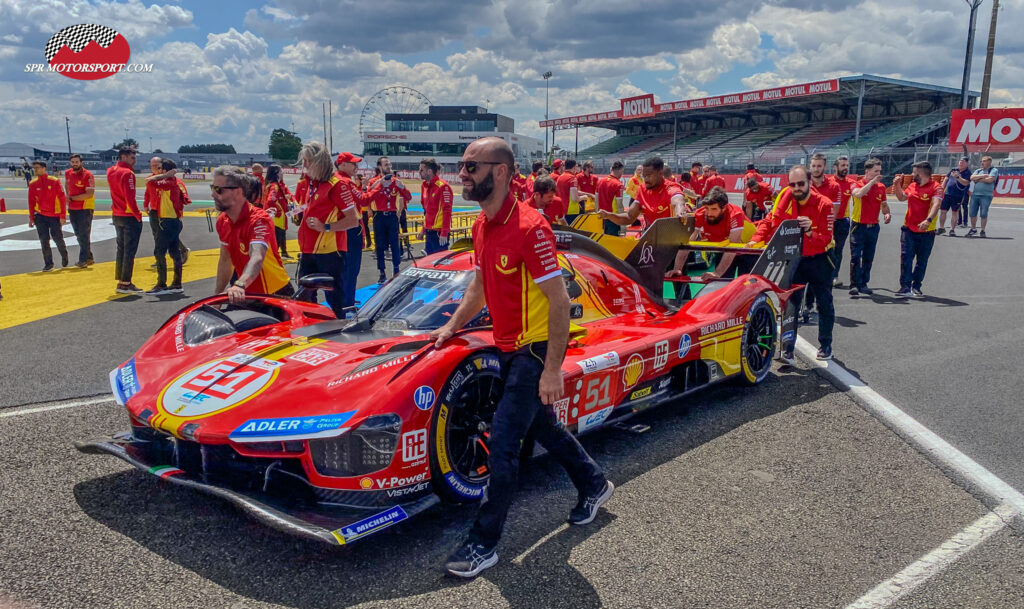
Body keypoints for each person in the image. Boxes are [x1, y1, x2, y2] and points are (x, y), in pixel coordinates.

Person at [431, 136, 612, 579]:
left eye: (472, 166)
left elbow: (558, 303)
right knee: (545, 429)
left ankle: (483, 543)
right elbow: (477, 288)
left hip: (533, 350)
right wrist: (452, 326)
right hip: (507, 346)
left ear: (502, 172)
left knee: (504, 446)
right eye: (462, 165)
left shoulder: (532, 228)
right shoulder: (480, 225)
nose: (463, 174)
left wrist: (551, 370)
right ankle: (594, 484)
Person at [748, 165, 835, 361]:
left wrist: (810, 231)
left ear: (810, 183)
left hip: (820, 259)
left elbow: (826, 238)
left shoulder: (825, 204)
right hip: (795, 258)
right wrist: (755, 240)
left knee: (824, 303)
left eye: (801, 184)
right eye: (792, 184)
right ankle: (787, 348)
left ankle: (826, 345)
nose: (796, 188)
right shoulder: (786, 196)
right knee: (790, 303)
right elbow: (771, 221)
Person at [293, 144, 361, 316]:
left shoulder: (337, 185)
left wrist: (326, 227)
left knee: (334, 298)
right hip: (308, 250)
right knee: (305, 297)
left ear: (319, 162)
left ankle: (339, 330)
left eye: (308, 161)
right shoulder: (313, 183)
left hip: (330, 252)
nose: (305, 165)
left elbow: (353, 220)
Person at [213, 166, 293, 303]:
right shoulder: (222, 220)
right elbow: (226, 260)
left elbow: (257, 256)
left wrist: (240, 284)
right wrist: (217, 296)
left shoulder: (259, 219)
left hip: (274, 293)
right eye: (213, 188)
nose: (214, 195)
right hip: (246, 292)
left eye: (219, 190)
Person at [667, 186, 749, 281]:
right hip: (724, 249)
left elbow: (733, 247)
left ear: (724, 208)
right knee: (721, 285)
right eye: (707, 208)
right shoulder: (700, 214)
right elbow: (687, 243)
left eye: (714, 209)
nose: (709, 213)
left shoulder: (735, 214)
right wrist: (677, 269)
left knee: (745, 284)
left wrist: (717, 273)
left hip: (747, 251)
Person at [893, 161, 943, 298]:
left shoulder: (936, 187)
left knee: (922, 260)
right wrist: (897, 185)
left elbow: (936, 204)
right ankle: (904, 287)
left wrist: (928, 220)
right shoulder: (912, 185)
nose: (912, 174)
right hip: (908, 229)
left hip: (927, 231)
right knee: (906, 258)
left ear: (921, 173)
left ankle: (916, 286)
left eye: (914, 172)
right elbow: (901, 197)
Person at [802, 153, 841, 321]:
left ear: (824, 167)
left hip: (825, 238)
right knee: (806, 278)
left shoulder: (834, 186)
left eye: (819, 166)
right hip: (806, 237)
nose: (816, 169)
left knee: (823, 281)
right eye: (813, 166)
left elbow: (834, 212)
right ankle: (808, 306)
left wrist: (815, 227)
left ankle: (821, 308)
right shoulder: (804, 185)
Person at [597, 156, 685, 229]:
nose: (645, 179)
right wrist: (608, 215)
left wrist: (680, 211)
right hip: (649, 237)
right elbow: (629, 217)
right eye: (644, 176)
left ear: (660, 173)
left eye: (649, 176)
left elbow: (677, 199)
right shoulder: (642, 188)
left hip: (668, 238)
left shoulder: (670, 187)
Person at [334, 152, 373, 309]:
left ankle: (347, 298)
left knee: (347, 267)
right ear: (342, 164)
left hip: (343, 228)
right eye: (353, 164)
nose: (356, 166)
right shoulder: (345, 182)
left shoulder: (338, 180)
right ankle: (347, 301)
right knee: (351, 267)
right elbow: (364, 199)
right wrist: (375, 189)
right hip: (350, 229)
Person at [848, 158, 891, 296]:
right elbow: (859, 194)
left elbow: (883, 204)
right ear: (867, 171)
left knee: (868, 256)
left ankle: (863, 283)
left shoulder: (881, 187)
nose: (879, 174)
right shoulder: (856, 184)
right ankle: (854, 284)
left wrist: (887, 213)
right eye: (875, 171)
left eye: (880, 171)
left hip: (873, 226)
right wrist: (872, 182)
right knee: (856, 256)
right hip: (858, 226)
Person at [367, 156, 411, 283]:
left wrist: (402, 187)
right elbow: (367, 196)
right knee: (380, 245)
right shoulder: (374, 182)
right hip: (379, 216)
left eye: (390, 164)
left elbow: (407, 197)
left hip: (391, 215)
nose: (389, 167)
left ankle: (396, 268)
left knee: (395, 243)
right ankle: (382, 271)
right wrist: (378, 184)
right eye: (386, 164)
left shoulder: (395, 181)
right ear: (379, 167)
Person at [146, 159, 187, 294]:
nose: (158, 171)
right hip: (174, 221)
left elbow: (149, 181)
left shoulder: (168, 182)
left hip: (167, 221)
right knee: (174, 252)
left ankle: (161, 284)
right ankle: (177, 283)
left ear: (166, 171)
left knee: (159, 252)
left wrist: (165, 175)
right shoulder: (175, 182)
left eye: (161, 169)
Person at [107, 148, 144, 293]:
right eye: (132, 158)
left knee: (121, 249)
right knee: (129, 250)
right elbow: (130, 198)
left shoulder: (111, 170)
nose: (134, 161)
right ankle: (126, 282)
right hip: (128, 216)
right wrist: (137, 214)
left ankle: (121, 279)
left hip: (116, 214)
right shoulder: (128, 173)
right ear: (123, 157)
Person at [27, 160, 69, 272]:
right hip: (40, 216)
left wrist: (62, 215)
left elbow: (62, 198)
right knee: (44, 240)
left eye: (38, 168)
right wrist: (31, 218)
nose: (36, 170)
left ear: (44, 168)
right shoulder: (33, 183)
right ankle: (48, 263)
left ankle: (64, 254)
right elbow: (31, 202)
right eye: (34, 168)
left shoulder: (54, 181)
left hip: (54, 215)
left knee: (57, 238)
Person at [64, 153, 95, 268]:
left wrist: (72, 198)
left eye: (77, 162)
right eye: (72, 162)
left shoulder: (88, 175)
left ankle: (83, 260)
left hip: (85, 208)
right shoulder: (68, 173)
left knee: (84, 234)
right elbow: (67, 184)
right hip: (73, 208)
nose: (75, 164)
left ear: (81, 162)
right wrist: (68, 195)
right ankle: (89, 256)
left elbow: (89, 194)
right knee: (78, 234)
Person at [419, 157, 454, 255]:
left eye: (421, 170)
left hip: (439, 233)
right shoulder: (424, 186)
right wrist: (423, 230)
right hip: (429, 233)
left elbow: (447, 210)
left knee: (441, 264)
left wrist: (444, 232)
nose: (419, 172)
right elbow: (426, 211)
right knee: (428, 264)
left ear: (429, 171)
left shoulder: (443, 186)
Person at [830, 156, 855, 287]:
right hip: (827, 222)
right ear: (835, 167)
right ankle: (823, 276)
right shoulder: (828, 182)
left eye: (847, 165)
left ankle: (834, 276)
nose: (845, 168)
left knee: (838, 251)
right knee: (826, 250)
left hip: (842, 222)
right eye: (843, 165)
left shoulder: (851, 183)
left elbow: (857, 193)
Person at [263, 164, 294, 260]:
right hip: (278, 217)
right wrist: (279, 211)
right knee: (278, 235)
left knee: (281, 234)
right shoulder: (274, 186)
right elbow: (271, 201)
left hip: (278, 216)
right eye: (281, 171)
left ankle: (283, 253)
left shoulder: (275, 185)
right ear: (277, 173)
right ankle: (275, 256)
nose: (282, 173)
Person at [966, 155, 998, 238]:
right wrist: (983, 176)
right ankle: (973, 229)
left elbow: (990, 180)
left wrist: (979, 179)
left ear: (989, 162)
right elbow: (972, 177)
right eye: (981, 161)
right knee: (972, 212)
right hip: (975, 194)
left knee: (983, 213)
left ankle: (983, 230)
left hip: (986, 195)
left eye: (984, 161)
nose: (982, 162)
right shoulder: (978, 170)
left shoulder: (993, 170)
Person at [939, 157, 970, 237]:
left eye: (963, 162)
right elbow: (946, 178)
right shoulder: (954, 169)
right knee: (943, 211)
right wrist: (942, 188)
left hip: (958, 195)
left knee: (954, 212)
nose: (961, 163)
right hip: (947, 194)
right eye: (960, 161)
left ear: (966, 163)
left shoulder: (967, 172)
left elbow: (966, 183)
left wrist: (957, 177)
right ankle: (941, 227)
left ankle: (952, 229)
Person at [596, 161, 625, 235]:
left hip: (601, 216)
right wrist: (623, 224)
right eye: (622, 172)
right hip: (613, 217)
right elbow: (619, 205)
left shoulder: (600, 181)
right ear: (620, 170)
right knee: (613, 242)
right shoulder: (618, 185)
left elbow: (596, 200)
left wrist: (597, 215)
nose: (622, 174)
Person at [556, 159, 581, 223]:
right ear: (574, 167)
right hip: (571, 210)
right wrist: (584, 197)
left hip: (562, 209)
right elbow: (575, 198)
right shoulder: (572, 178)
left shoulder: (560, 177)